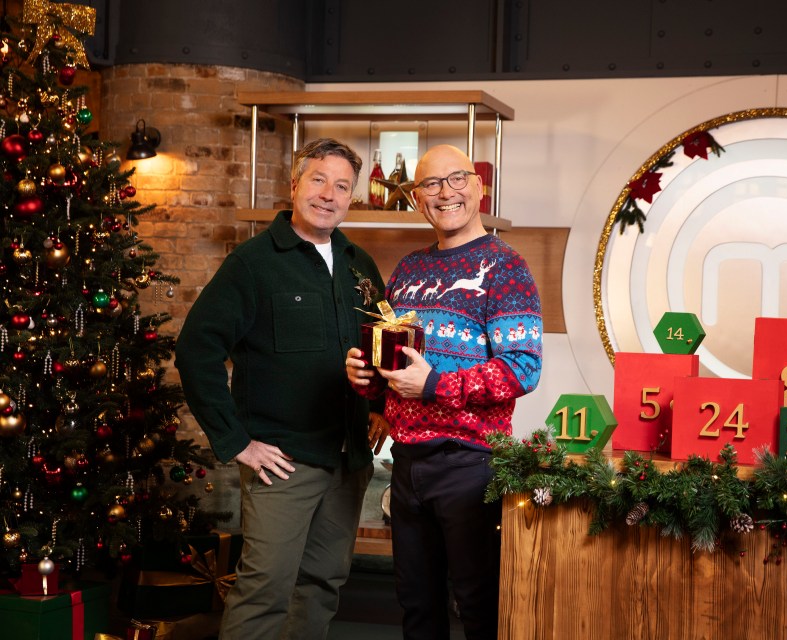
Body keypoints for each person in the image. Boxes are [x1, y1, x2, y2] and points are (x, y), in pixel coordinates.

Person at [175, 137, 389, 640]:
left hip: (348, 459)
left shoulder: (361, 266)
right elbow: (196, 351)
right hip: (283, 461)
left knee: (322, 585)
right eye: (318, 180)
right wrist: (236, 441)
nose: (329, 195)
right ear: (294, 185)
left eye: (342, 186)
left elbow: (381, 344)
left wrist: (380, 408)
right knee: (265, 589)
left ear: (352, 198)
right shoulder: (253, 264)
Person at [346, 144, 543, 639]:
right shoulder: (408, 271)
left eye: (457, 179)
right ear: (417, 199)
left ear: (478, 187)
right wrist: (366, 375)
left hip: (471, 466)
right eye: (431, 184)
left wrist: (434, 385)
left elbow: (522, 369)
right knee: (416, 606)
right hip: (407, 463)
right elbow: (393, 356)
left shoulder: (506, 267)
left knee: (479, 607)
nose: (446, 192)